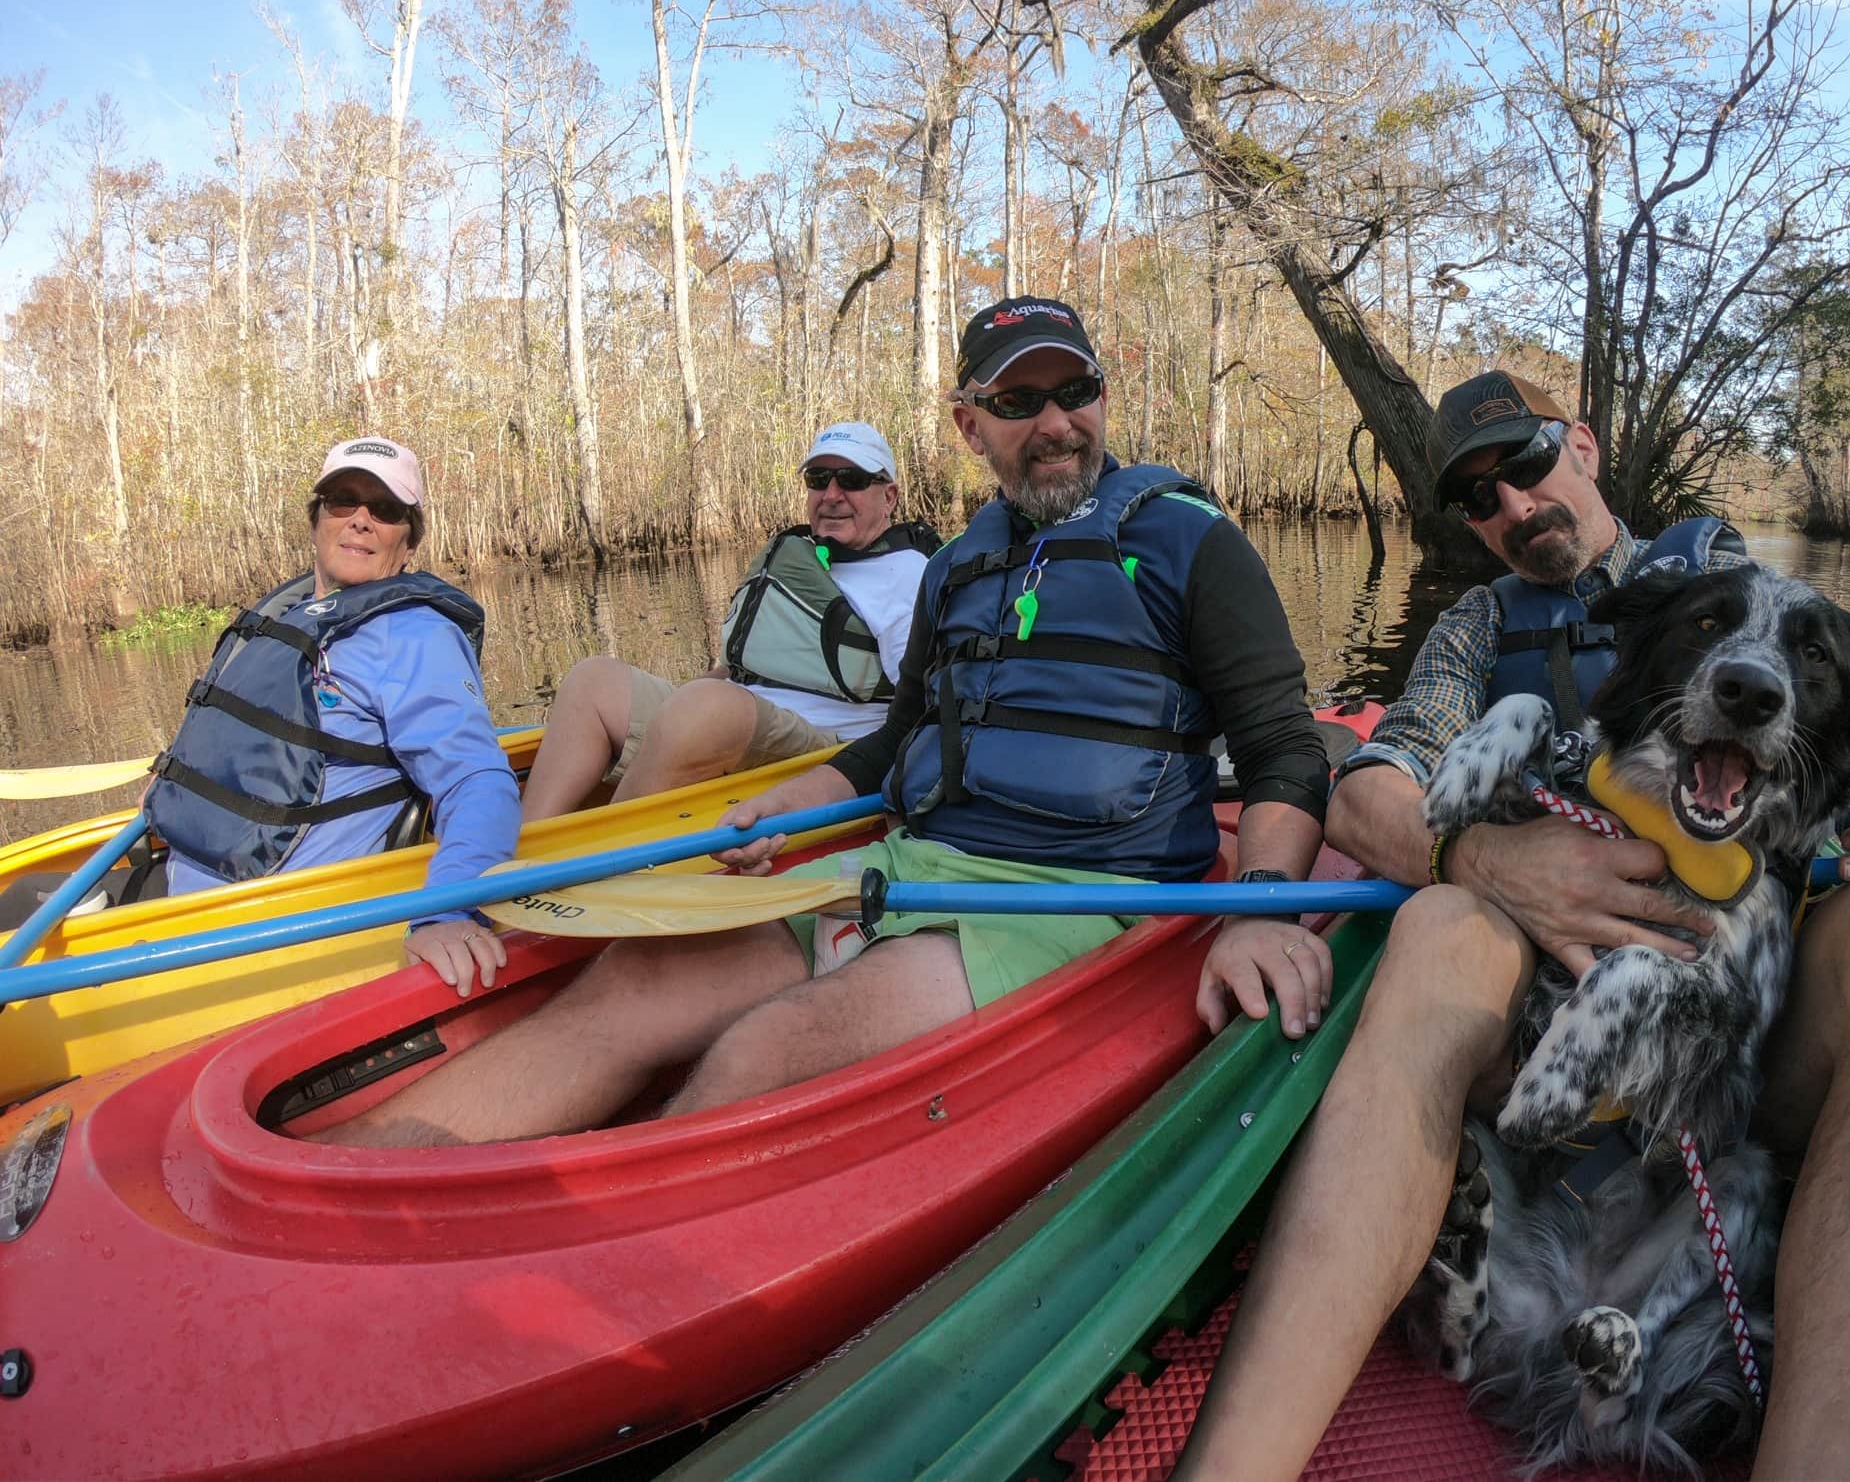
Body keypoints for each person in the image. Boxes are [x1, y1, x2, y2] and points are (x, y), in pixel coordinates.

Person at [1176, 371, 1850, 1480]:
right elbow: (1366, 794)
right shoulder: (1473, 630)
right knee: (1441, 925)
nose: (1509, 505)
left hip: (1733, 1049)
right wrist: (1490, 857)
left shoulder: (1727, 583)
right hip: (1535, 1021)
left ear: (1585, 447)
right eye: (1474, 497)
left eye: (1522, 462)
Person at [320, 295, 1332, 1149]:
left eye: (1075, 392)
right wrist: (786, 807)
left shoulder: (1189, 542)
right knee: (627, 987)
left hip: (1077, 891)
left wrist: (1262, 906)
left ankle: (579, 1264)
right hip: (915, 862)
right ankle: (356, 1191)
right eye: (1019, 401)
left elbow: (1280, 746)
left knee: (765, 1049)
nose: (1057, 423)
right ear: (968, 424)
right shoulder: (957, 567)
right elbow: (899, 744)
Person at [142, 436, 521, 998]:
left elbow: (478, 780)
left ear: (408, 541)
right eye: (343, 500)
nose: (361, 520)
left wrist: (449, 910)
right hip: (182, 885)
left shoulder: (413, 636)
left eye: (386, 509)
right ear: (317, 519)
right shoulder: (290, 614)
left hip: (272, 934)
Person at [517, 422, 937, 823]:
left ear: (890, 497)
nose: (831, 494)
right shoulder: (808, 561)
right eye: (818, 478)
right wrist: (676, 716)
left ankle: (595, 855)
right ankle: (529, 843)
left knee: (708, 708)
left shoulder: (907, 577)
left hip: (825, 749)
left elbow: (923, 708)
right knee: (594, 679)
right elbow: (737, 667)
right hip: (730, 722)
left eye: (852, 479)